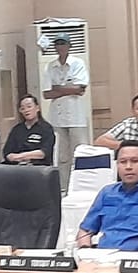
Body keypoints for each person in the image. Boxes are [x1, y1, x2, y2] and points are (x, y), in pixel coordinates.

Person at [42, 35, 90, 186]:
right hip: (57, 115)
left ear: (69, 45)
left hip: (76, 115)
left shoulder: (78, 63)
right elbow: (46, 93)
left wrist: (58, 88)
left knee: (80, 151)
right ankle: (63, 186)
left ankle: (82, 184)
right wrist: (70, 89)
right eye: (57, 44)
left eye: (63, 43)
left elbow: (81, 89)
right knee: (61, 155)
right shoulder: (50, 66)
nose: (60, 47)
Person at [1, 95, 55, 167]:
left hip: (37, 167)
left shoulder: (46, 128)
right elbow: (7, 152)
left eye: (29, 107)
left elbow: (44, 153)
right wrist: (14, 158)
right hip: (16, 166)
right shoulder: (16, 129)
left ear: (37, 108)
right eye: (22, 108)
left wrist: (21, 156)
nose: (26, 110)